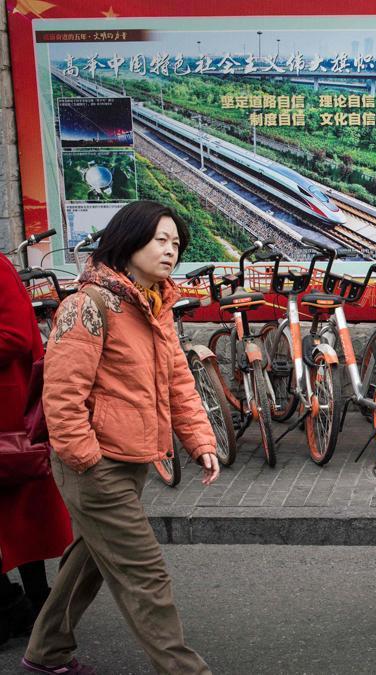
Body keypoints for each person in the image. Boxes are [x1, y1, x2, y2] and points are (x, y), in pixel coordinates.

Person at [21, 201, 220, 675]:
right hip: (95, 464)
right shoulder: (86, 306)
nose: (171, 251)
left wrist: (200, 440)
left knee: (90, 557)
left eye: (176, 243)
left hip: (131, 458)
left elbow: (177, 380)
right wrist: (86, 459)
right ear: (129, 241)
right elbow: (62, 398)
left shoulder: (154, 304)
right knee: (144, 573)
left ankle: (46, 653)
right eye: (160, 240)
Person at [0, 254, 72, 650]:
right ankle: (19, 606)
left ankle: (34, 606)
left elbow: (16, 335)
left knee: (22, 515)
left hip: (7, 413)